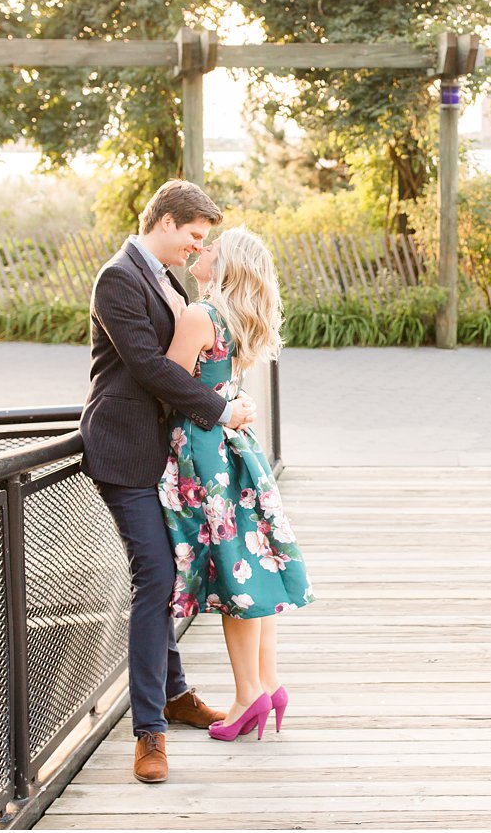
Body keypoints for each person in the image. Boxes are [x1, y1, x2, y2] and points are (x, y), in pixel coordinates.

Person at [80, 180, 258, 784]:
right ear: (165, 221)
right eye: (194, 237)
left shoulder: (162, 275)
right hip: (123, 451)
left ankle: (175, 694)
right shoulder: (117, 278)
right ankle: (149, 731)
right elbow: (152, 368)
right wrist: (221, 410)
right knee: (155, 576)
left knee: (168, 573)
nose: (195, 249)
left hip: (161, 454)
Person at [160, 226, 313, 743]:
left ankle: (249, 692)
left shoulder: (200, 315)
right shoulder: (237, 317)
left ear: (225, 267)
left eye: (213, 249)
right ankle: (266, 683)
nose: (201, 252)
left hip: (206, 453)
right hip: (235, 450)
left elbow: (170, 387)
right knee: (253, 564)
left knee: (233, 577)